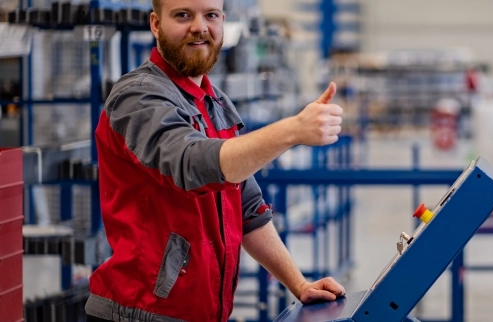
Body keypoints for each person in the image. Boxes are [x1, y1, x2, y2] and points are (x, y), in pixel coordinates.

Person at [84, 0, 346, 320]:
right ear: (155, 24)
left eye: (211, 15)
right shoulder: (138, 96)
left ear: (222, 22)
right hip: (139, 313)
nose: (199, 27)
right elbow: (191, 163)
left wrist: (299, 283)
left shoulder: (215, 102)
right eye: (183, 15)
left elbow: (248, 210)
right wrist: (290, 131)